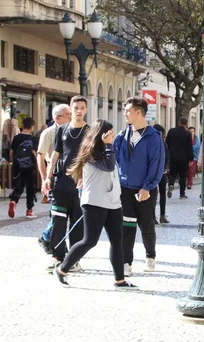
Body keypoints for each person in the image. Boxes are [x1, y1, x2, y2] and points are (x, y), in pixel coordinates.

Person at [53, 120, 135, 288]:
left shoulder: (107, 149)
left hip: (113, 201)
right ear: (101, 135)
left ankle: (120, 279)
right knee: (90, 240)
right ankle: (62, 268)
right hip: (95, 202)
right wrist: (109, 145)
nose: (112, 136)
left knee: (116, 240)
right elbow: (109, 165)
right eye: (109, 133)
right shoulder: (91, 152)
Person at [114, 97, 165, 275]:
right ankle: (126, 263)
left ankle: (150, 256)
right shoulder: (121, 136)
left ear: (138, 112)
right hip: (125, 190)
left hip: (145, 190)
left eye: (128, 110)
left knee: (147, 226)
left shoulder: (153, 138)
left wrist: (147, 187)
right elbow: (114, 161)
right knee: (126, 228)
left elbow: (156, 164)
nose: (125, 113)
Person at [42, 96, 89, 272]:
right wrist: (48, 177)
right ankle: (58, 257)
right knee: (58, 222)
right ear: (71, 109)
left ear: (85, 110)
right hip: (61, 184)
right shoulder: (62, 130)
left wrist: (86, 177)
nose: (79, 111)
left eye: (82, 108)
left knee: (77, 225)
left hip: (80, 186)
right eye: (76, 107)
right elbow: (56, 154)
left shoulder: (90, 132)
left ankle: (74, 260)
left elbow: (92, 158)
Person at [36, 104, 71, 254]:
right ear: (57, 118)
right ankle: (48, 238)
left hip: (70, 175)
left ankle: (50, 238)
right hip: (55, 175)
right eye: (68, 115)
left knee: (68, 211)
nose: (71, 117)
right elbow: (41, 155)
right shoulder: (49, 133)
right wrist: (45, 178)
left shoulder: (73, 130)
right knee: (57, 212)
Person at [8, 117, 37, 219]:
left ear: (23, 125)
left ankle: (13, 201)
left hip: (18, 166)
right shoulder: (33, 139)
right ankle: (29, 210)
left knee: (18, 186)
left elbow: (11, 153)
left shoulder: (16, 138)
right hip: (30, 167)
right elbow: (35, 153)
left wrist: (13, 162)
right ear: (32, 127)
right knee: (30, 188)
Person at [165, 117, 193, 199]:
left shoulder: (171, 131)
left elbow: (167, 144)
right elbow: (189, 147)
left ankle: (170, 185)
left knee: (172, 174)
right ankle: (182, 193)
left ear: (179, 122)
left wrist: (167, 157)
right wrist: (191, 159)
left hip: (173, 157)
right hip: (184, 158)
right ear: (186, 124)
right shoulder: (187, 134)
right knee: (183, 176)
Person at [153, 124, 170, 224]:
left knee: (154, 195)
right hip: (161, 172)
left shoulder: (151, 142)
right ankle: (162, 215)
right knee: (161, 194)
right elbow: (167, 155)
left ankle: (153, 216)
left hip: (154, 172)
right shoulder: (162, 143)